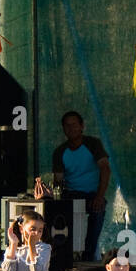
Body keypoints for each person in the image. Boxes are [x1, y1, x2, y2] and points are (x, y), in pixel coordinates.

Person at [47, 111, 111, 261]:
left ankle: (88, 255)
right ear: (63, 129)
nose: (71, 128)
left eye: (74, 125)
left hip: (92, 194)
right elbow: (59, 181)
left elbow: (105, 169)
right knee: (57, 212)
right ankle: (63, 255)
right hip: (70, 194)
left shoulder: (93, 144)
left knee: (98, 211)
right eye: (67, 126)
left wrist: (99, 196)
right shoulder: (59, 151)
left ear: (82, 126)